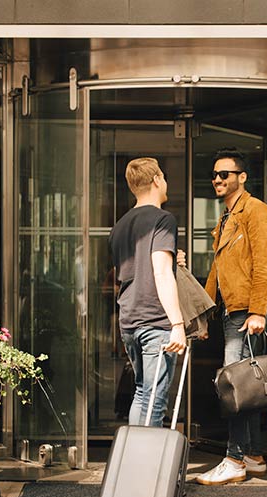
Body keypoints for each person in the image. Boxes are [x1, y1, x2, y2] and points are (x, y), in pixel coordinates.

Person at [195, 148, 267, 485]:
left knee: (234, 385)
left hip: (249, 311)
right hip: (235, 311)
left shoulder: (256, 211)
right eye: (215, 175)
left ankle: (234, 460)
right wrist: (203, 314)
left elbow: (264, 264)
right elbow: (218, 269)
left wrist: (259, 311)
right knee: (246, 386)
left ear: (241, 178)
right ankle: (254, 455)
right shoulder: (227, 216)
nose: (218, 180)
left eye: (225, 174)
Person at [109, 157, 186, 428]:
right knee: (154, 399)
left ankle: (135, 459)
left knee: (142, 393)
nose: (165, 183)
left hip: (129, 319)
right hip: (155, 320)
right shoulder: (162, 220)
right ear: (156, 180)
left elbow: (132, 270)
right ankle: (146, 467)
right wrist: (178, 324)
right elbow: (160, 273)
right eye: (163, 177)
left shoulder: (120, 226)